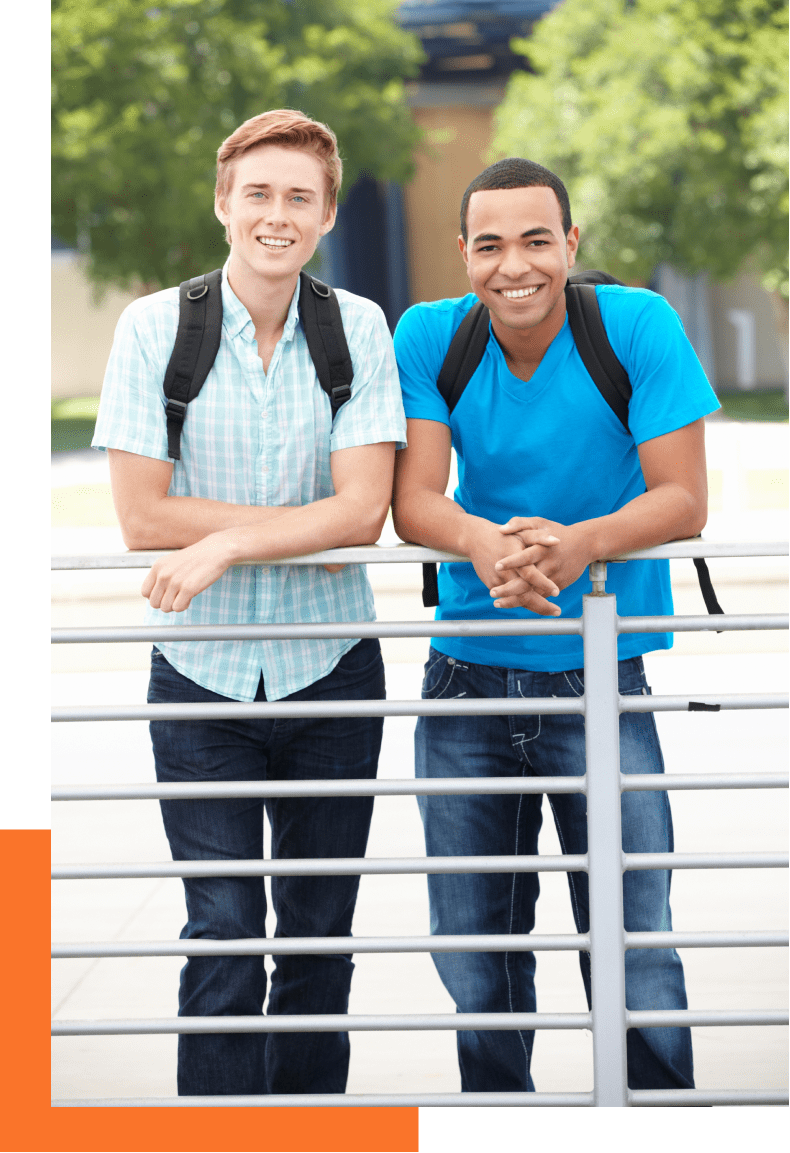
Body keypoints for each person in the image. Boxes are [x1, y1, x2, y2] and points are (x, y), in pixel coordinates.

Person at [92, 109, 406, 1097]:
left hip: (333, 672)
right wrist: (280, 528)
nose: (277, 214)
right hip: (200, 676)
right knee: (222, 932)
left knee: (318, 936)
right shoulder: (152, 327)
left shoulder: (356, 327)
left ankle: (306, 1122)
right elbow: (144, 519)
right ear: (225, 202)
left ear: (322, 217)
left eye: (298, 198)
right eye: (259, 193)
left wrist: (223, 538)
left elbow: (362, 517)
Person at [391, 157, 719, 1094]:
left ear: (571, 245)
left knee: (634, 938)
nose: (515, 264)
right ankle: (502, 1119)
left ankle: (654, 1118)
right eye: (490, 244)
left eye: (538, 240)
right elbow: (415, 500)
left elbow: (684, 497)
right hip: (466, 678)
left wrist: (583, 544)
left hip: (603, 676)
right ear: (463, 255)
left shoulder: (637, 325)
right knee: (475, 950)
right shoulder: (431, 336)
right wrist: (481, 542)